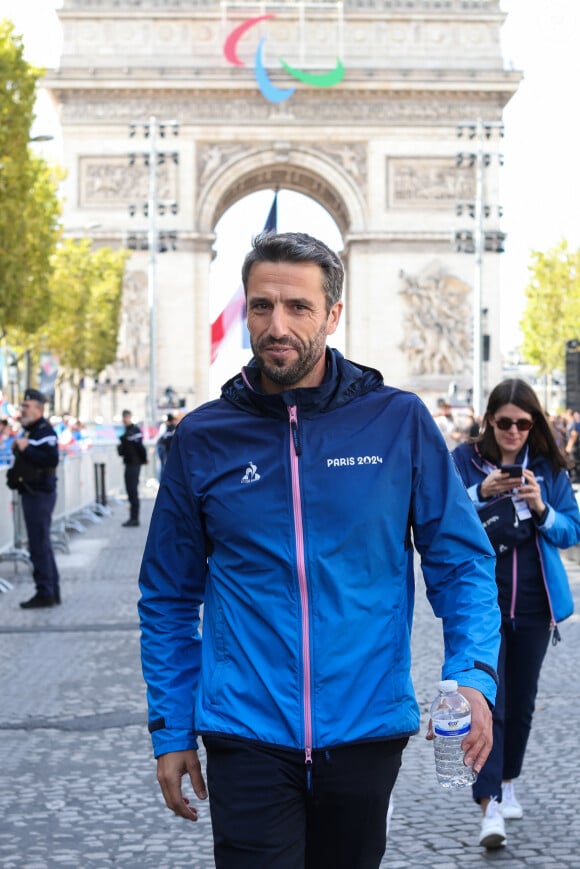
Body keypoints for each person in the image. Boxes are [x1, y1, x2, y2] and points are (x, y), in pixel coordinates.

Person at [138, 232, 502, 869]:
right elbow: (168, 596)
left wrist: (473, 674)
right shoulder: (200, 439)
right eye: (261, 306)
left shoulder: (399, 421)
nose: (277, 326)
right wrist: (171, 727)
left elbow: (463, 561)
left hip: (365, 729)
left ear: (333, 314)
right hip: (243, 732)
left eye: (298, 307)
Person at [452, 379, 580, 850]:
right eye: (504, 422)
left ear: (534, 424)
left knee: (521, 705)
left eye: (523, 423)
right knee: (489, 703)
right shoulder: (465, 461)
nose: (513, 431)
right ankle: (489, 807)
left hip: (533, 604)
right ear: (489, 420)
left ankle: (507, 782)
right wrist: (477, 493)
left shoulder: (547, 467)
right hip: (479, 604)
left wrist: (542, 509)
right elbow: (437, 517)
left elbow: (572, 531)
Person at [8, 389, 61, 608]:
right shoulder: (30, 431)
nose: (22, 411)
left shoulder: (43, 431)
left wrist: (26, 448)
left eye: (26, 407)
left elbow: (51, 459)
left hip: (39, 494)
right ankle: (51, 590)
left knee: (39, 545)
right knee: (42, 544)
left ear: (38, 409)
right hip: (33, 493)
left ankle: (45, 592)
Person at [117, 409, 147, 527]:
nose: (125, 419)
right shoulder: (127, 432)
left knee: (132, 490)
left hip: (134, 464)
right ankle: (133, 517)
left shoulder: (134, 431)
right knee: (130, 491)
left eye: (127, 417)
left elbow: (140, 447)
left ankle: (134, 518)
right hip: (129, 463)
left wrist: (143, 459)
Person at [155, 412, 178, 480]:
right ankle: (162, 481)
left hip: (164, 448)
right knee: (164, 466)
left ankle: (163, 481)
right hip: (163, 448)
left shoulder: (168, 427)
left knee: (163, 466)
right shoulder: (169, 427)